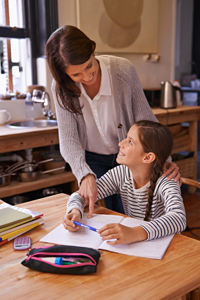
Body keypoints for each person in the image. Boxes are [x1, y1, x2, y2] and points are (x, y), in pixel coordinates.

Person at [45, 25, 180, 216]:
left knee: (133, 213)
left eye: (89, 66)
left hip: (128, 155)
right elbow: (68, 139)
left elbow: (146, 120)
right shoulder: (61, 89)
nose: (86, 77)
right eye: (76, 75)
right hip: (92, 159)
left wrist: (164, 159)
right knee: (109, 213)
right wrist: (84, 174)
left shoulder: (122, 71)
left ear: (93, 51)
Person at [63, 121, 186, 245]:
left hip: (167, 247)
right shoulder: (120, 174)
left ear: (148, 157)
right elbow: (81, 195)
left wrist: (135, 233)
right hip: (137, 245)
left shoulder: (167, 181)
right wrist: (75, 210)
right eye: (126, 138)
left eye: (130, 142)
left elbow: (178, 218)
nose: (120, 143)